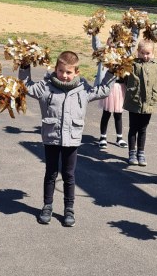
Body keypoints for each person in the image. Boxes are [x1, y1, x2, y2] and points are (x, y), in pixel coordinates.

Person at [19, 51, 116, 227]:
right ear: (56, 69)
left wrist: (113, 70)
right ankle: (47, 205)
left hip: (72, 140)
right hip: (51, 138)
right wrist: (25, 64)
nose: (64, 75)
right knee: (51, 173)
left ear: (76, 72)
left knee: (69, 175)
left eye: (69, 72)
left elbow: (104, 90)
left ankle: (69, 208)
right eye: (61, 71)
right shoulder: (45, 87)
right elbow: (25, 85)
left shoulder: (83, 89)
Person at [92, 27, 139, 149]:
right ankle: (103, 137)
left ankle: (119, 138)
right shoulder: (104, 55)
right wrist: (94, 32)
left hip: (120, 88)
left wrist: (136, 28)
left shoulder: (123, 55)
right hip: (108, 88)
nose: (113, 48)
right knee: (106, 113)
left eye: (115, 46)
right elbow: (96, 45)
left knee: (118, 114)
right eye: (110, 46)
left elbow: (132, 45)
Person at [123, 39, 157, 166]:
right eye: (142, 53)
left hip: (149, 102)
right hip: (134, 101)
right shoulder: (131, 65)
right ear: (137, 52)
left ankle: (141, 152)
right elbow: (124, 78)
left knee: (143, 129)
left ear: (153, 53)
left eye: (148, 53)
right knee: (133, 128)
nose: (145, 56)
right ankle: (132, 153)